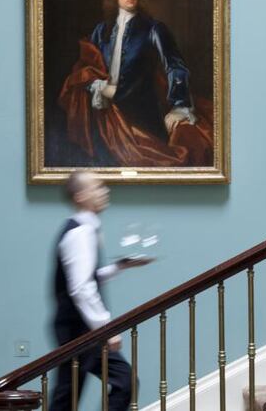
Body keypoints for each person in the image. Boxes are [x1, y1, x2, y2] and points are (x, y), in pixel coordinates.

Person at [58, 0, 213, 167]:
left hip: (143, 116)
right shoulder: (101, 30)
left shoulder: (153, 29)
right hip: (108, 118)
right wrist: (97, 86)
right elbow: (87, 65)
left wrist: (179, 105)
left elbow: (175, 66)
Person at [50, 171, 150, 411]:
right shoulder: (80, 232)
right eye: (98, 187)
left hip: (77, 327)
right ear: (81, 195)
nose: (105, 191)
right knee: (122, 382)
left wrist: (119, 266)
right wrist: (106, 328)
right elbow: (81, 288)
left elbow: (84, 279)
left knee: (67, 395)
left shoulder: (84, 229)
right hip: (80, 329)